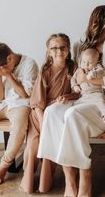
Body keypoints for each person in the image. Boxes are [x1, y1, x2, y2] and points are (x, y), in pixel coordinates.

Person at [37, 5, 105, 197]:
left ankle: (85, 174)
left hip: (101, 102)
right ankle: (69, 178)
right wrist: (71, 90)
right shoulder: (80, 44)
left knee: (72, 114)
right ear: (101, 21)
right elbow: (74, 75)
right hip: (80, 98)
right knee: (52, 112)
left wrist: (90, 79)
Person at [20, 33, 79, 194]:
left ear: (68, 49)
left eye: (62, 47)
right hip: (39, 114)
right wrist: (43, 122)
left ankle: (46, 182)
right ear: (48, 51)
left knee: (49, 145)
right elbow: (37, 103)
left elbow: (79, 92)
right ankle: (28, 177)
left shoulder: (73, 68)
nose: (58, 51)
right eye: (54, 48)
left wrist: (68, 96)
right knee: (34, 146)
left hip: (58, 112)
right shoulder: (45, 71)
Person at [0, 42, 38, 186]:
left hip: (20, 106)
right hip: (3, 104)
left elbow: (25, 94)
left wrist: (8, 75)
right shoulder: (3, 67)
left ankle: (3, 166)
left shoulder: (29, 64)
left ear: (9, 58)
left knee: (18, 129)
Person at [71, 48, 105, 124]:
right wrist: (75, 86)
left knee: (101, 102)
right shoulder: (79, 70)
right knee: (74, 105)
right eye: (84, 62)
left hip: (96, 93)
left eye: (90, 62)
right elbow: (73, 78)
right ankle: (75, 120)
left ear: (96, 62)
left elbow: (103, 72)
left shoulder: (97, 68)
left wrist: (94, 74)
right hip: (84, 95)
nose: (86, 65)